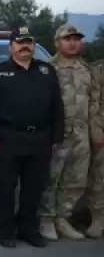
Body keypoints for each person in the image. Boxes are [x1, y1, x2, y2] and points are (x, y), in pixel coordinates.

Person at [0, 26, 64, 248]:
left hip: (40, 138)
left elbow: (57, 105)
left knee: (34, 188)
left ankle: (27, 228)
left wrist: (57, 136)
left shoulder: (47, 71)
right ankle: (7, 230)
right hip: (9, 137)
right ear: (11, 46)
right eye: (20, 42)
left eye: (28, 42)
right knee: (6, 188)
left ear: (34, 45)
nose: (24, 46)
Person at [39, 25, 102, 241]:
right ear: (57, 43)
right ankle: (46, 219)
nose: (73, 43)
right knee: (50, 178)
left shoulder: (87, 70)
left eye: (76, 39)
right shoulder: (47, 69)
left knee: (77, 179)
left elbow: (94, 103)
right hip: (57, 133)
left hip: (82, 133)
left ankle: (63, 218)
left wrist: (96, 133)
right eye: (68, 39)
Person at [83, 59, 104, 238]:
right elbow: (94, 104)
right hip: (101, 128)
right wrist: (96, 131)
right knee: (99, 177)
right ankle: (99, 218)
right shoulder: (97, 70)